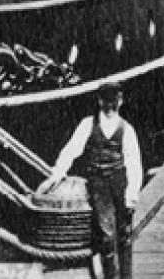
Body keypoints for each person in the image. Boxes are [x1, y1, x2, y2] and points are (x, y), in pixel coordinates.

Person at [38, 82, 142, 279]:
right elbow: (72, 149)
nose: (110, 104)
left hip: (120, 184)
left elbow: (134, 164)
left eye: (114, 99)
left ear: (120, 101)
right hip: (98, 185)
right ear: (99, 100)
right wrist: (57, 174)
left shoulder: (126, 129)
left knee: (125, 235)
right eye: (106, 99)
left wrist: (132, 197)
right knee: (107, 236)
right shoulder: (88, 124)